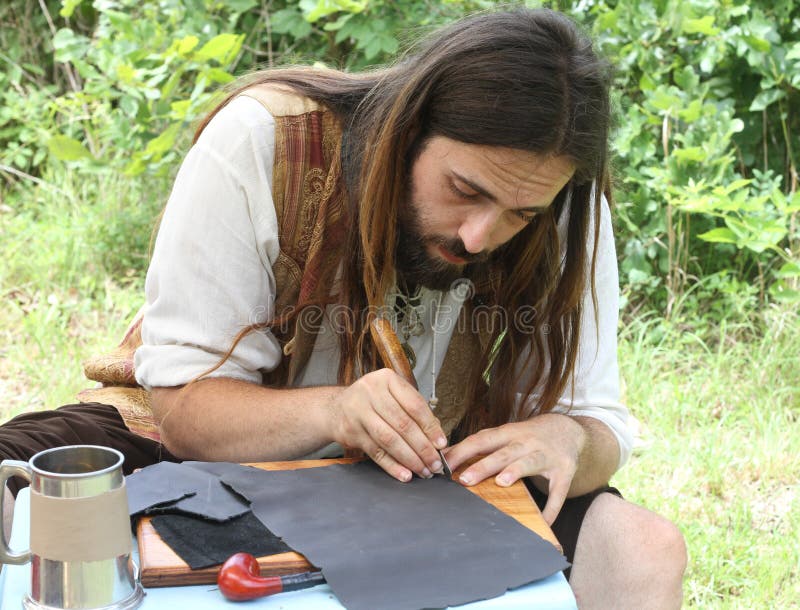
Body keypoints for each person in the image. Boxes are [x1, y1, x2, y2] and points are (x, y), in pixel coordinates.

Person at [0, 8, 686, 608]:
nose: (482, 236)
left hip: (425, 476)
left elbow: (600, 425)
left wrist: (570, 440)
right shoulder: (265, 141)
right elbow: (184, 415)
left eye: (520, 214)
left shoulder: (559, 203)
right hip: (177, 447)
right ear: (409, 127)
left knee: (641, 548)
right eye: (464, 189)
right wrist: (334, 411)